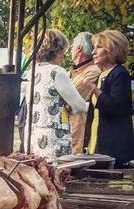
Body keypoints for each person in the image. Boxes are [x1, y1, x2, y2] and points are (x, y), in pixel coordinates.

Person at [26, 29, 88, 163]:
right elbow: (79, 106)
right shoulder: (57, 72)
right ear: (58, 50)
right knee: (57, 176)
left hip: (34, 134)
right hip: (55, 137)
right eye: (63, 51)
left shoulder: (32, 73)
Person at [87, 30, 134, 167]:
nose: (93, 52)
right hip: (98, 140)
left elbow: (115, 107)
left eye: (98, 47)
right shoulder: (102, 75)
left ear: (112, 49)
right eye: (93, 47)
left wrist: (95, 89)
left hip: (114, 146)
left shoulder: (120, 74)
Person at [69, 32, 101, 153]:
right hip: (70, 129)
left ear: (79, 48)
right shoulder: (75, 71)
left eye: (72, 47)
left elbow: (68, 98)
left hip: (77, 132)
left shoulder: (92, 71)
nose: (71, 50)